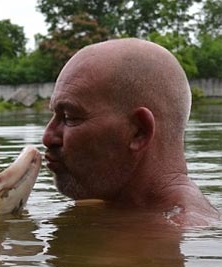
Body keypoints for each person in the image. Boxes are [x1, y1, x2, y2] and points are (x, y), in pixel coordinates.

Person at [42, 38, 220, 226]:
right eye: (54, 115)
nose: (48, 137)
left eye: (70, 117)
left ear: (139, 132)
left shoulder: (165, 236)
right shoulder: (111, 205)